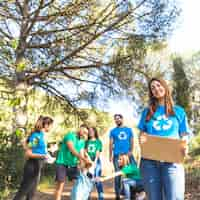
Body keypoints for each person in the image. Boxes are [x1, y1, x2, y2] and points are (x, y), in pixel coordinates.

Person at [138, 77, 190, 200]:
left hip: (172, 160)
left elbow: (184, 134)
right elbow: (141, 134)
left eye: (158, 85)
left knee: (175, 196)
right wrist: (142, 139)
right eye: (153, 88)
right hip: (149, 161)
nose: (156, 89)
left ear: (165, 86)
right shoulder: (147, 112)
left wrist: (185, 146)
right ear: (151, 93)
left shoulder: (179, 111)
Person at [13, 116, 54, 200]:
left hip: (38, 166)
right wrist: (44, 156)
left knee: (31, 194)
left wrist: (49, 151)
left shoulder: (41, 136)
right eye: (51, 125)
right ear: (46, 125)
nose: (52, 127)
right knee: (22, 192)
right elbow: (28, 153)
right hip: (32, 166)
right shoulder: (37, 136)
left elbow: (35, 149)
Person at [54, 124, 91, 200]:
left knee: (78, 184)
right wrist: (84, 159)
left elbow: (81, 154)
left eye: (86, 133)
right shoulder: (70, 136)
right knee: (60, 186)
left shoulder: (82, 141)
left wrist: (83, 166)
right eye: (83, 131)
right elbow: (72, 150)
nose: (84, 133)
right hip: (62, 163)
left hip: (73, 165)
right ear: (80, 128)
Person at [109, 114, 136, 200]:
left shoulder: (128, 130)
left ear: (122, 119)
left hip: (128, 155)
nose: (117, 120)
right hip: (117, 156)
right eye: (115, 119)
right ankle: (117, 195)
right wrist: (110, 155)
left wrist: (131, 152)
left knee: (131, 174)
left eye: (118, 119)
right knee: (118, 175)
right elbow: (110, 144)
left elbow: (132, 141)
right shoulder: (113, 131)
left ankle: (132, 195)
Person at [85, 127, 104, 200]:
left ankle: (101, 197)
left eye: (92, 131)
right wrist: (88, 160)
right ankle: (87, 196)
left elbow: (98, 152)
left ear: (95, 132)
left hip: (96, 161)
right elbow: (85, 151)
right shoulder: (87, 141)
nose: (90, 132)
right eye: (89, 131)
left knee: (97, 179)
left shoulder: (98, 141)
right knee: (88, 179)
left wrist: (95, 162)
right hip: (88, 161)